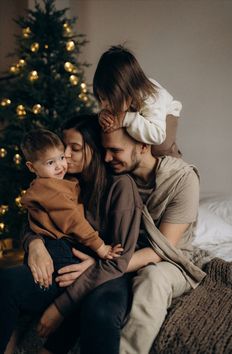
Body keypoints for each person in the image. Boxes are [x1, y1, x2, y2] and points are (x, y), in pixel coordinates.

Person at [31, 127, 207, 354]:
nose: (106, 157)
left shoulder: (180, 180)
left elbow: (162, 249)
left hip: (166, 257)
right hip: (116, 256)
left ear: (144, 147)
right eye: (104, 149)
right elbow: (48, 211)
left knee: (152, 278)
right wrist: (34, 242)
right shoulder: (107, 172)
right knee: (90, 295)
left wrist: (101, 263)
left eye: (115, 150)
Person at [0, 115, 143, 354]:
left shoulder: (120, 186)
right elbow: (36, 217)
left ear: (94, 149)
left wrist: (60, 307)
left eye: (74, 148)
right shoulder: (62, 178)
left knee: (100, 312)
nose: (64, 156)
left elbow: (119, 257)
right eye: (63, 147)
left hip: (107, 271)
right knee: (7, 282)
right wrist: (35, 245)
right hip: (67, 263)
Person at [21, 128, 121, 264]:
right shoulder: (49, 189)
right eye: (50, 162)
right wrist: (100, 247)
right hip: (57, 246)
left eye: (61, 158)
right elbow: (72, 220)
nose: (60, 166)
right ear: (32, 167)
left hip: (61, 243)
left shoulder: (60, 182)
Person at [93, 44, 183, 158]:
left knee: (160, 148)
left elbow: (158, 135)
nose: (103, 104)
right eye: (102, 98)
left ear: (127, 91)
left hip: (166, 116)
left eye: (109, 100)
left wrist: (126, 119)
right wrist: (102, 116)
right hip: (140, 114)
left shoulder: (151, 96)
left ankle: (175, 165)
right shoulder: (119, 98)